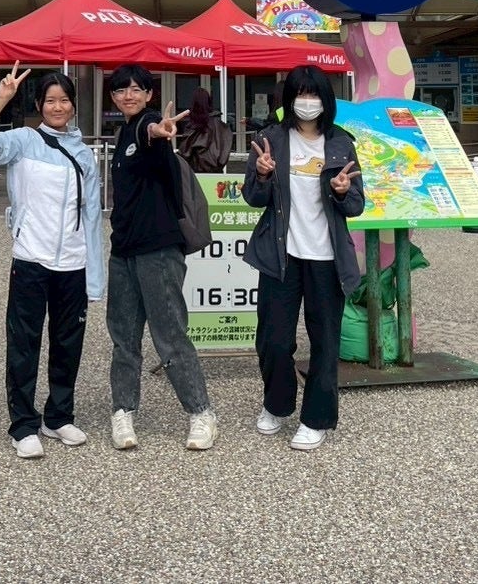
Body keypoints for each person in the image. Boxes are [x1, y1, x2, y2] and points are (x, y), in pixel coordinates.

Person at [0, 64, 104, 460]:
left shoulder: (84, 154)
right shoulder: (24, 141)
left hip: (73, 263)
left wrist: (95, 276)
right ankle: (23, 424)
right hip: (31, 259)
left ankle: (58, 416)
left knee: (68, 344)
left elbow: (92, 216)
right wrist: (1, 99)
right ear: (39, 105)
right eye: (50, 101)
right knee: (24, 344)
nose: (58, 107)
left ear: (73, 105)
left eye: (64, 100)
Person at [242, 64, 364, 452]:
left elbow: (356, 205)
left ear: (325, 100)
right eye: (299, 94)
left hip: (327, 258)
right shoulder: (270, 140)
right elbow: (253, 198)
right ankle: (277, 404)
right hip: (281, 254)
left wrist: (342, 192)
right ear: (288, 99)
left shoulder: (341, 143)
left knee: (325, 341)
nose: (306, 102)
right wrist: (262, 175)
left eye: (313, 94)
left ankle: (316, 419)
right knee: (274, 340)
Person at [105, 64, 219, 452]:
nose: (129, 95)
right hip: (123, 250)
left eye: (137, 89)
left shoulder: (146, 126)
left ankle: (201, 412)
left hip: (158, 250)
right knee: (124, 337)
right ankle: (123, 410)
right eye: (121, 90)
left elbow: (150, 131)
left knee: (169, 334)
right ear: (113, 97)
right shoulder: (122, 134)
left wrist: (158, 130)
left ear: (149, 95)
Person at [176, 87, 232, 174]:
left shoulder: (192, 125)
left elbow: (184, 152)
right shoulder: (219, 125)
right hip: (215, 172)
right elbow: (225, 149)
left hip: (194, 172)